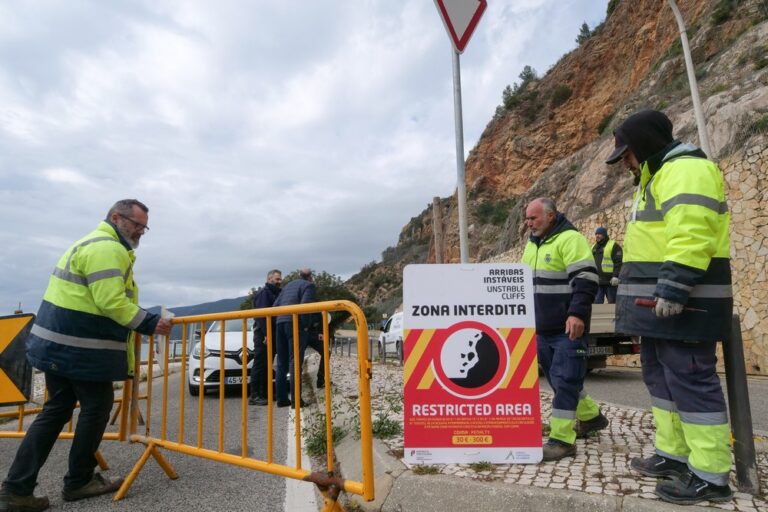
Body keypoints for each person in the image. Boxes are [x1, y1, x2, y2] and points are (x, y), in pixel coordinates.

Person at [0, 199, 172, 512]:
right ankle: (78, 481)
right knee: (96, 408)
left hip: (57, 345)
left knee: (56, 410)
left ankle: (16, 490)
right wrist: (150, 323)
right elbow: (111, 301)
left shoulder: (87, 243)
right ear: (116, 218)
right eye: (137, 224)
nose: (141, 231)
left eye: (145, 227)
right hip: (79, 350)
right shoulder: (108, 248)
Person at [605, 110, 733, 505]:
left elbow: (692, 232)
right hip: (658, 307)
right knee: (661, 381)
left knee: (691, 383)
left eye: (627, 154)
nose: (626, 163)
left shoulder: (685, 170)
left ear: (645, 145)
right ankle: (674, 454)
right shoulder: (656, 178)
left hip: (684, 304)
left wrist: (675, 286)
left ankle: (710, 476)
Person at [521, 198, 608, 462]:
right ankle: (591, 418)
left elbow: (586, 280)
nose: (528, 223)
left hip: (567, 328)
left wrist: (577, 314)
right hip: (542, 329)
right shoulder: (533, 244)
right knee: (558, 380)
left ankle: (562, 440)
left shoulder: (570, 239)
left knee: (566, 380)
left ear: (550, 216)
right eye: (527, 218)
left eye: (533, 218)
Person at [272, 268, 317, 408]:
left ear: (299, 275)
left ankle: (281, 399)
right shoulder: (308, 286)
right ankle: (296, 401)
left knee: (281, 362)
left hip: (280, 323)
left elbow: (275, 306)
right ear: (310, 277)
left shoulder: (288, 286)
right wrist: (306, 325)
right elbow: (305, 307)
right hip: (295, 324)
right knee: (295, 362)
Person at [248, 269, 282, 406]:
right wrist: (266, 334)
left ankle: (265, 392)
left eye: (280, 279)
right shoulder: (264, 293)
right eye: (277, 279)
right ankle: (254, 395)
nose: (280, 281)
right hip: (263, 333)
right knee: (260, 364)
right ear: (269, 279)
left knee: (267, 364)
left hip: (271, 333)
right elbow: (261, 316)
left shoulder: (275, 293)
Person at [592, 227, 623, 304]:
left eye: (599, 234)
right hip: (598, 282)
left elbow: (618, 262)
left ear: (604, 235)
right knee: (597, 305)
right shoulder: (593, 247)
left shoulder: (613, 245)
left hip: (610, 282)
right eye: (596, 234)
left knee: (613, 304)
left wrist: (616, 276)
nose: (597, 236)